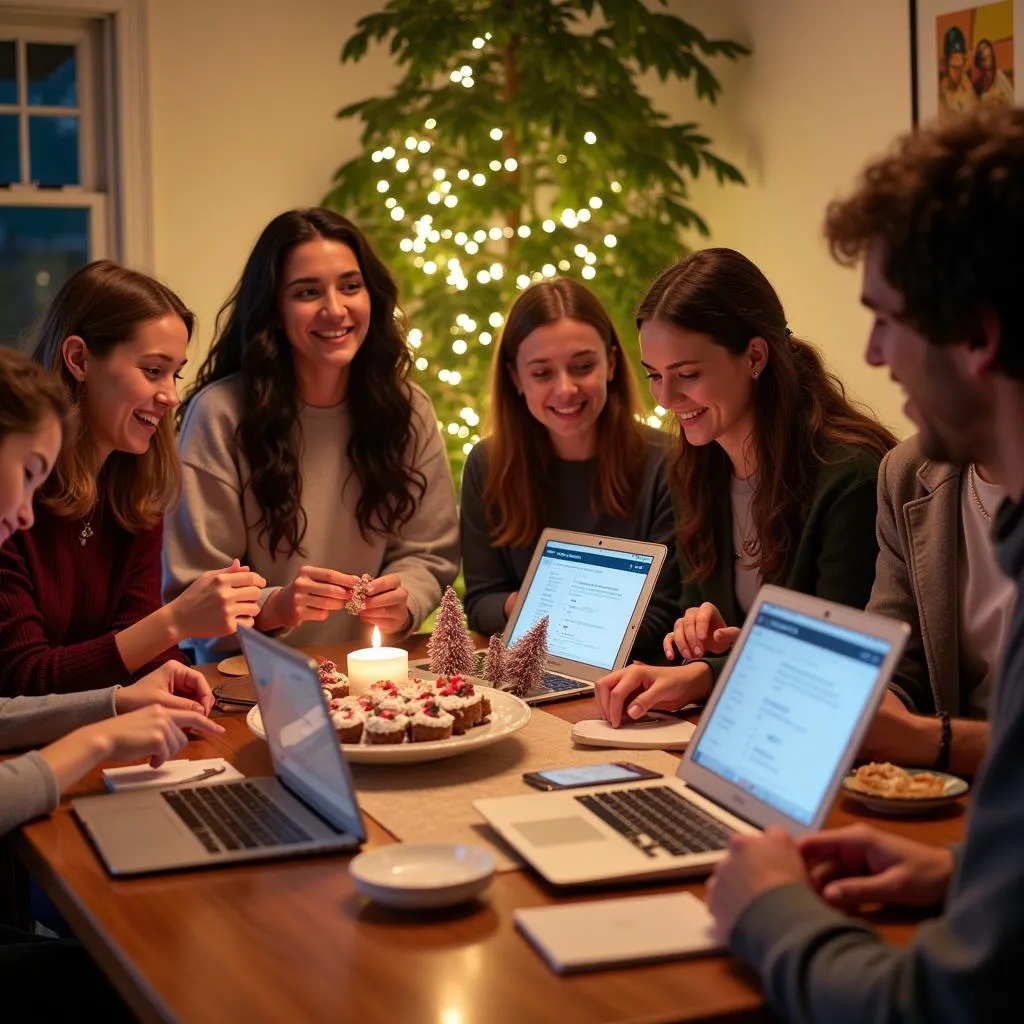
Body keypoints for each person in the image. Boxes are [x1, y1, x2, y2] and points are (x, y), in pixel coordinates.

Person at [707, 105, 1024, 1022]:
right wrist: (963, 870)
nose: (875, 355)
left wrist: (771, 911)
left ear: (977, 333)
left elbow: (930, 1008)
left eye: (886, 321)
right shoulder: (913, 479)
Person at [0, 344, 223, 1019]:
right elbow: (25, 674)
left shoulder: (136, 491)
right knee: (160, 970)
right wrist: (93, 743)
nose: (27, 515)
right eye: (28, 472)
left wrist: (113, 702)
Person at [595, 248, 896, 726]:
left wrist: (705, 672)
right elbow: (702, 637)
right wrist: (695, 641)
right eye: (654, 375)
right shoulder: (695, 467)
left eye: (687, 375)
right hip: (738, 721)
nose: (666, 398)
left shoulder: (849, 476)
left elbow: (832, 666)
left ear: (755, 355)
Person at [164, 209, 459, 662]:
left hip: (373, 672)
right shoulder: (220, 415)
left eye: (350, 286)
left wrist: (406, 600)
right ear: (275, 311)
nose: (335, 308)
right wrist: (274, 606)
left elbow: (428, 551)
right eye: (307, 292)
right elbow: (196, 587)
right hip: (247, 681)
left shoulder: (408, 408)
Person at [0, 262, 264, 697]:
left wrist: (177, 676)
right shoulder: (14, 503)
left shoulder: (134, 493)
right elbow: (26, 681)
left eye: (175, 374)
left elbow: (136, 647)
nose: (172, 396)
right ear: (79, 359)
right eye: (153, 370)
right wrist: (175, 620)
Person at [460, 278, 680, 660]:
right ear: (516, 378)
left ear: (611, 363)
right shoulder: (486, 463)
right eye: (542, 373)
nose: (565, 389)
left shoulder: (669, 461)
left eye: (582, 366)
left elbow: (663, 616)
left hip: (632, 681)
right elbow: (481, 603)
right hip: (522, 673)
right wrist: (555, 615)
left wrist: (540, 613)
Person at [859, 435, 1008, 775]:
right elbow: (894, 659)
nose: (899, 381)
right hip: (955, 786)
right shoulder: (907, 472)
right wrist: (877, 705)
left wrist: (934, 740)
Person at [939, 25, 977, 123]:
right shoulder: (940, 90)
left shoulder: (969, 87)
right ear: (946, 64)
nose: (957, 73)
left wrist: (969, 93)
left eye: (960, 67)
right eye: (953, 67)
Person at [973, 38, 1014, 107]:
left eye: (989, 57)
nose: (987, 63)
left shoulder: (1000, 76)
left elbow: (1011, 101)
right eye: (983, 59)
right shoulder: (977, 81)